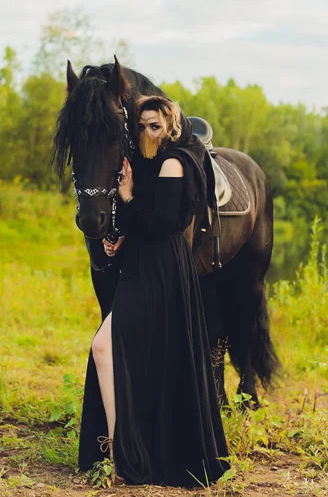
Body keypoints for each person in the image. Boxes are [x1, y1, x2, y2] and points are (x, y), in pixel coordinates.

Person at [78, 95, 230, 488]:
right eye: (142, 125)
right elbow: (141, 221)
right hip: (140, 265)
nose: (147, 131)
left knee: (104, 347)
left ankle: (120, 451)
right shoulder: (148, 164)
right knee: (115, 350)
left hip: (162, 270)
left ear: (171, 126)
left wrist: (128, 197)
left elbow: (163, 222)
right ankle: (120, 449)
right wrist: (121, 238)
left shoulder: (174, 162)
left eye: (155, 125)